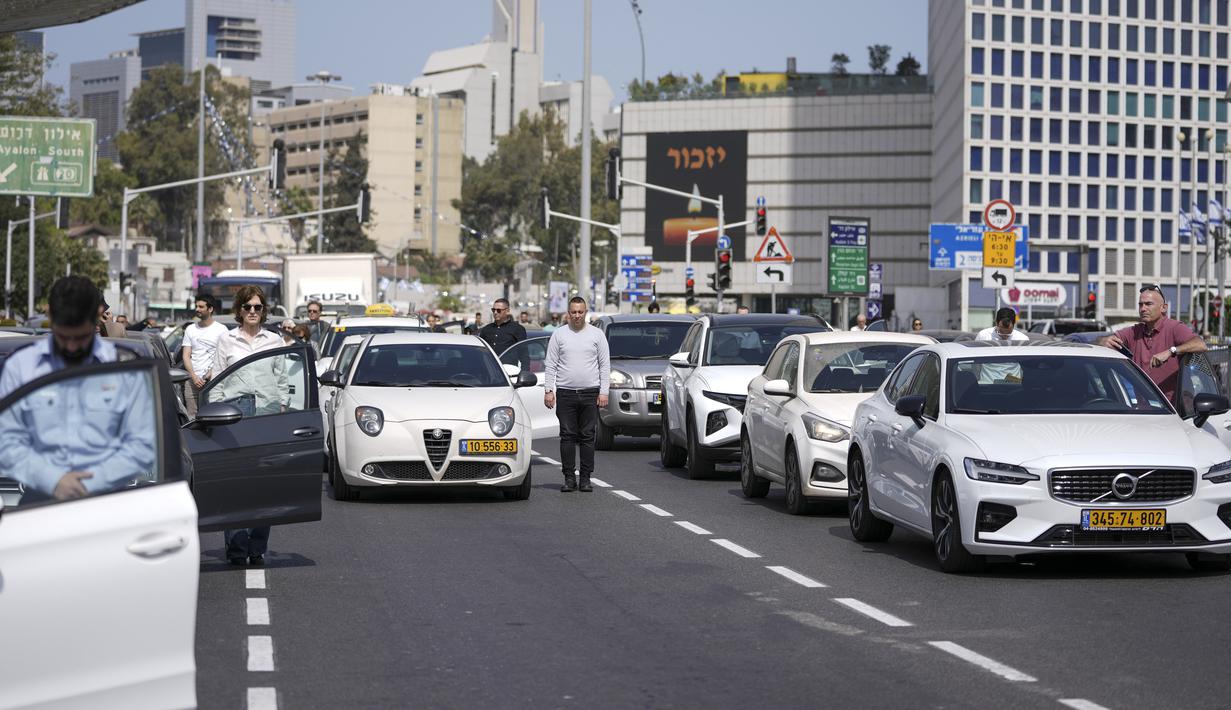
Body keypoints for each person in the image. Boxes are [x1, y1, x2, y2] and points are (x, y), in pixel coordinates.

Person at [0, 276, 155, 501]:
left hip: (109, 507)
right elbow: (6, 439)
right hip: (38, 505)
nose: (72, 346)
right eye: (64, 337)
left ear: (97, 317)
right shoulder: (21, 367)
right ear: (50, 316)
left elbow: (143, 443)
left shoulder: (124, 368)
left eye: (81, 337)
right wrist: (52, 480)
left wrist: (93, 481)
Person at [209, 284, 289, 566]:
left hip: (266, 411)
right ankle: (236, 547)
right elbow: (216, 380)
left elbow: (282, 381)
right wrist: (215, 415)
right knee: (237, 483)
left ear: (263, 310)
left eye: (257, 307)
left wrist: (283, 411)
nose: (253, 312)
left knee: (263, 484)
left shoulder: (274, 341)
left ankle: (257, 547)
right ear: (239, 310)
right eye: (248, 307)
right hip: (236, 412)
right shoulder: (227, 341)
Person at [543, 297, 610, 493]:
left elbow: (604, 365)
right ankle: (569, 477)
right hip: (566, 394)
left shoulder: (597, 335)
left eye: (580, 312)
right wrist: (549, 390)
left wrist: (603, 391)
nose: (577, 316)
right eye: (574, 312)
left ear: (586, 312)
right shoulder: (559, 334)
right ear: (568, 313)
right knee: (567, 436)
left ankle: (586, 478)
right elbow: (551, 364)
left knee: (588, 436)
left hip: (590, 393)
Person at [1100, 284, 1207, 403]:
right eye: (1140, 304)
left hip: (1175, 410)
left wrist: (1171, 351)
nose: (1143, 309)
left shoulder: (1175, 327)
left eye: (1148, 304)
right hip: (1145, 411)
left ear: (1163, 308)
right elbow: (1100, 341)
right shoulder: (1134, 331)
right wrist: (1104, 341)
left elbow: (1200, 345)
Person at [181, 294, 229, 418]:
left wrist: (210, 374)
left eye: (201, 307)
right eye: (196, 306)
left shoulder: (221, 330)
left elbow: (225, 357)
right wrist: (193, 376)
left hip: (214, 381)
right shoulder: (190, 329)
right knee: (192, 417)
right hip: (192, 381)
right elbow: (186, 355)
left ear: (210, 309)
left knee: (213, 415)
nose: (197, 309)